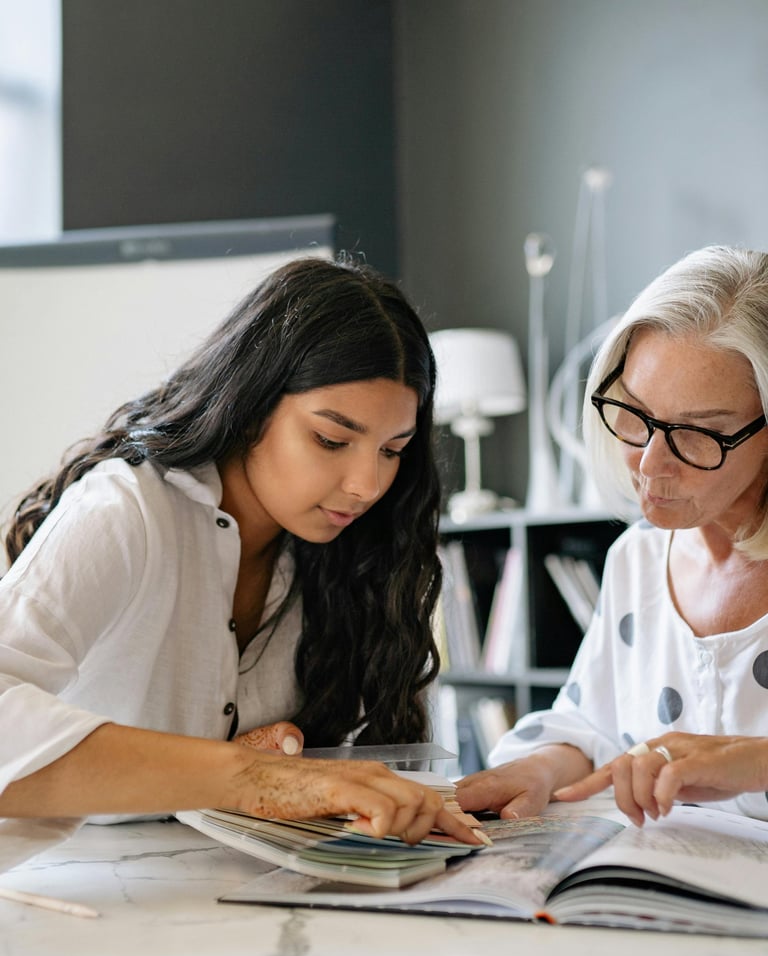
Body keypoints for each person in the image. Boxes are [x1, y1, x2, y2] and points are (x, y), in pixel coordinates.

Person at [0, 255, 481, 852]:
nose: (367, 485)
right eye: (332, 439)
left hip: (237, 892)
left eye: (392, 450)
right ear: (252, 405)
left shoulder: (350, 554)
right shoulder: (127, 510)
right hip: (80, 891)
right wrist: (249, 777)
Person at [457, 244, 768, 827]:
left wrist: (755, 763)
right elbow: (590, 729)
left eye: (699, 433)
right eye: (636, 415)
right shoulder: (639, 561)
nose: (649, 465)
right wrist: (540, 769)